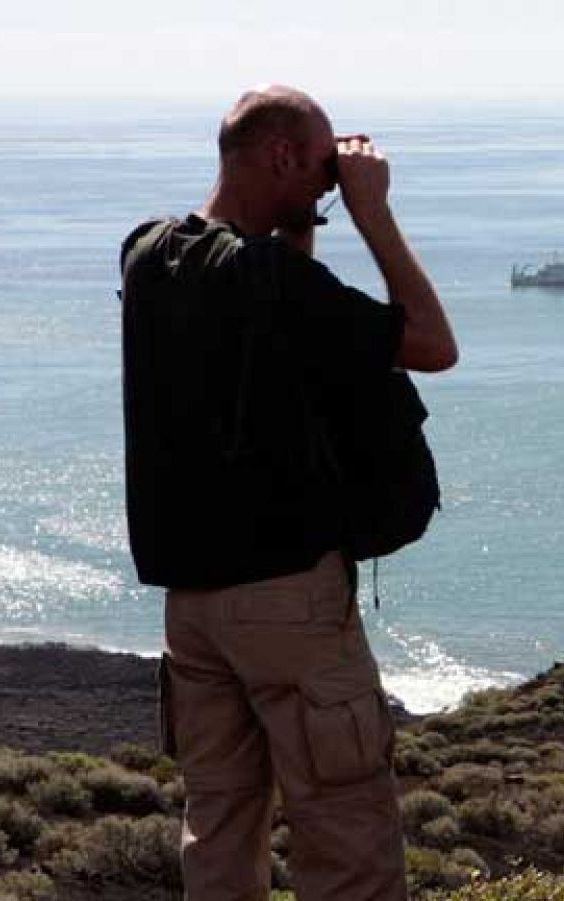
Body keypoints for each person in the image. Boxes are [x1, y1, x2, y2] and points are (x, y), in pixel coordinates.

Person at [119, 85, 457, 900]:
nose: (327, 188)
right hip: (287, 599)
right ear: (278, 156)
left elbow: (276, 310)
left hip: (192, 609)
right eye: (315, 171)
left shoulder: (148, 254)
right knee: (344, 827)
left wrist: (302, 210)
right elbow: (432, 344)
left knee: (221, 824)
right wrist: (372, 214)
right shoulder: (268, 278)